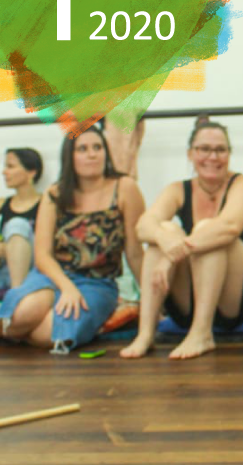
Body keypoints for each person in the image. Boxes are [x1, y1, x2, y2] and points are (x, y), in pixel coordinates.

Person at [121, 120, 243, 360]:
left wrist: (171, 258)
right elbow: (143, 226)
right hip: (199, 295)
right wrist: (165, 240)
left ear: (229, 154)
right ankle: (145, 333)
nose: (212, 157)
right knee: (163, 231)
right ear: (190, 154)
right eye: (204, 149)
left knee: (209, 230)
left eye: (220, 150)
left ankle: (201, 333)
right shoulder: (178, 189)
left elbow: (229, 228)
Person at [0, 126, 144, 352]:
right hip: (51, 276)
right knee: (18, 316)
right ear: (70, 156)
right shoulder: (55, 193)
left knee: (49, 334)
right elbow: (42, 255)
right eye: (82, 149)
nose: (92, 154)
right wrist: (67, 288)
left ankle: (36, 332)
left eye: (97, 147)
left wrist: (153, 303)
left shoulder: (125, 188)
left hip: (97, 283)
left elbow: (135, 252)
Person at [0, 148, 43, 294]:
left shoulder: (47, 204)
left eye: (11, 166)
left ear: (31, 172)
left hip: (34, 271)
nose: (4, 172)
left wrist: (10, 248)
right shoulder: (2, 204)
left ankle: (16, 294)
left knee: (17, 225)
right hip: (3, 270)